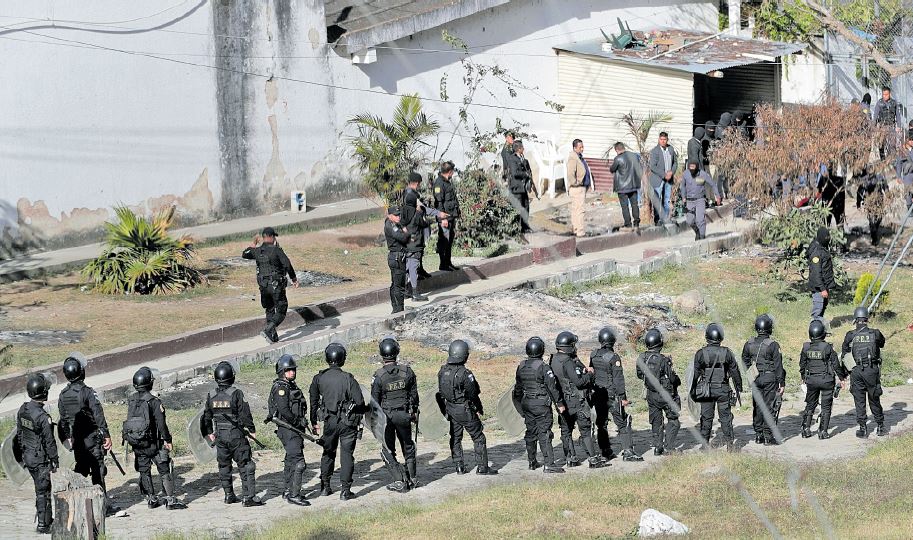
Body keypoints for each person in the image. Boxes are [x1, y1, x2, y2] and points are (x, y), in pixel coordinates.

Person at [57, 353, 117, 513]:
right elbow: (98, 414)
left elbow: (63, 420)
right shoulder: (87, 392)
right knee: (98, 470)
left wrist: (66, 438)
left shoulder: (63, 395)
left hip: (77, 441)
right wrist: (106, 435)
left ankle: (75, 502)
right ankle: (102, 507)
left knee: (81, 470)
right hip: (92, 439)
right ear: (81, 372)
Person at [200, 361, 264, 506]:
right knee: (246, 464)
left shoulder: (211, 395)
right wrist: (252, 430)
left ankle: (229, 495)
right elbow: (245, 414)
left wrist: (209, 432)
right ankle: (249, 497)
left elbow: (206, 417)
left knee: (224, 466)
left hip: (220, 436)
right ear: (231, 377)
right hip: (236, 435)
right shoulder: (236, 393)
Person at [123, 367, 187, 509]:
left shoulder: (132, 400)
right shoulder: (154, 402)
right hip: (154, 444)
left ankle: (151, 499)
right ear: (149, 383)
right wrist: (168, 440)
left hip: (138, 443)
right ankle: (170, 500)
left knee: (144, 471)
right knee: (165, 468)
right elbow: (161, 425)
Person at [309, 343, 366, 501]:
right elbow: (359, 402)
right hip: (347, 423)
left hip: (329, 422)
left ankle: (325, 487)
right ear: (342, 359)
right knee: (347, 455)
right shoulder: (348, 378)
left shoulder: (318, 378)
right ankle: (345, 490)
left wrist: (314, 422)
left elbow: (313, 402)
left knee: (328, 453)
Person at [436, 339, 497, 475]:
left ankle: (459, 466)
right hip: (464, 410)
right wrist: (479, 408)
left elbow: (440, 392)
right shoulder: (465, 373)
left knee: (456, 438)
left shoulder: (442, 371)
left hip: (451, 409)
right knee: (478, 437)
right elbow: (473, 394)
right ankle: (482, 468)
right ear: (464, 355)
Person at [550, 331, 608, 468]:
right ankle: (593, 459)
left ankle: (571, 458)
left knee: (566, 430)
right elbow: (579, 382)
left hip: (562, 401)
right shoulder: (568, 362)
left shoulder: (553, 359)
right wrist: (590, 374)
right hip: (576, 401)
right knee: (585, 430)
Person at [371, 337, 420, 492]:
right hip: (404, 415)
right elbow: (414, 396)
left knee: (387, 450)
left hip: (386, 418)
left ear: (381, 354)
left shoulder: (378, 376)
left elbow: (374, 402)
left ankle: (399, 480)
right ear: (396, 352)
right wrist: (413, 412)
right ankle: (412, 478)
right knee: (408, 445)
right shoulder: (408, 372)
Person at [513, 336, 566, 473]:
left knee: (531, 432)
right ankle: (549, 464)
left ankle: (532, 462)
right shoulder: (543, 367)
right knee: (545, 433)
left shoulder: (521, 366)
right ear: (541, 350)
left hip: (527, 403)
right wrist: (559, 404)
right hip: (541, 404)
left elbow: (518, 388)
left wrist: (520, 405)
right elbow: (552, 388)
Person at [14, 373, 58, 534]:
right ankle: (43, 524)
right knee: (43, 491)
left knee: (40, 489)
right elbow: (49, 442)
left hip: (28, 456)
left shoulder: (23, 409)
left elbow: (19, 435)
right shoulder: (42, 417)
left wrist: (23, 454)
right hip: (40, 459)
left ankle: (46, 519)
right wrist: (55, 460)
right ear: (43, 393)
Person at [589, 327, 641, 461]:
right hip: (612, 395)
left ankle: (605, 451)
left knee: (602, 424)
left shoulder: (594, 355)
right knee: (623, 423)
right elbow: (618, 379)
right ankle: (628, 451)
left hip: (598, 394)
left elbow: (592, 372)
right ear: (612, 341)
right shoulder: (614, 357)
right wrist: (623, 397)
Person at [241, 226, 299, 343]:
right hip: (275, 285)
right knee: (282, 308)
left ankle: (272, 336)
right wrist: (294, 279)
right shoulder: (276, 250)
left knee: (269, 308)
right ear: (272, 237)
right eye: (274, 237)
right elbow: (287, 264)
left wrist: (253, 244)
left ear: (263, 238)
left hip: (263, 286)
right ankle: (268, 329)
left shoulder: (257, 251)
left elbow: (244, 254)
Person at [690, 324, 742, 451]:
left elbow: (695, 374)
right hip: (723, 389)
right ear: (721, 337)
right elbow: (735, 371)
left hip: (706, 391)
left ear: (707, 336)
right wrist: (739, 386)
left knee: (706, 417)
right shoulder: (727, 352)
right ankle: (730, 445)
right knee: (726, 417)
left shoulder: (700, 354)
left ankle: (705, 445)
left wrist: (693, 390)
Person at [267, 354, 310, 506]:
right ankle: (294, 494)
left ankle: (287, 490)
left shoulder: (290, 386)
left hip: (294, 429)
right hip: (288, 429)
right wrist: (298, 421)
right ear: (282, 371)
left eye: (293, 370)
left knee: (290, 461)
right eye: (289, 370)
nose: (292, 372)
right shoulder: (281, 388)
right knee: (299, 463)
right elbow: (284, 410)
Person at [842, 307, 888, 438]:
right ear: (867, 319)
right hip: (871, 370)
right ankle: (880, 426)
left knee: (859, 400)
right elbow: (882, 344)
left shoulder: (850, 335)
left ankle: (863, 428)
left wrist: (845, 373)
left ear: (855, 320)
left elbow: (844, 354)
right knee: (874, 398)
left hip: (856, 371)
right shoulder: (875, 333)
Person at [741, 315, 786, 445]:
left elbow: (744, 360)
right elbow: (778, 366)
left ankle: (758, 434)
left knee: (758, 406)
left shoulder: (748, 343)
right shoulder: (773, 345)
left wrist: (751, 371)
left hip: (755, 379)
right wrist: (781, 383)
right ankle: (768, 436)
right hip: (769, 378)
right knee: (769, 407)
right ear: (769, 328)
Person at [636, 329, 681, 455]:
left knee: (656, 421)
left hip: (651, 394)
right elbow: (672, 378)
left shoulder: (641, 358)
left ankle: (658, 447)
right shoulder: (663, 359)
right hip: (665, 395)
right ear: (659, 343)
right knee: (674, 420)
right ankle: (669, 447)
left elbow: (640, 375)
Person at [800, 320, 848, 439]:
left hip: (811, 380)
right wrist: (842, 378)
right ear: (822, 333)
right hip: (826, 380)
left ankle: (805, 429)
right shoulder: (827, 347)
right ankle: (823, 432)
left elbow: (802, 364)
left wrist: (803, 377)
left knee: (810, 404)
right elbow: (836, 364)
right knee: (826, 406)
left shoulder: (806, 347)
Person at [403, 173, 447, 302]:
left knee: (408, 264)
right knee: (413, 265)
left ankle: (406, 290)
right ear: (417, 183)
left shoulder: (404, 206)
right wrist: (438, 215)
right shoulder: (413, 200)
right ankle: (415, 293)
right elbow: (424, 215)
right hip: (415, 240)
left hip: (407, 240)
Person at [433, 161, 461, 271]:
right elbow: (439, 202)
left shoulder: (447, 182)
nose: (453, 173)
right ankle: (443, 264)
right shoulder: (439, 183)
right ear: (449, 172)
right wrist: (443, 219)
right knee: (444, 240)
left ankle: (448, 262)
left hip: (451, 216)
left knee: (449, 240)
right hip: (444, 218)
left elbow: (452, 199)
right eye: (452, 171)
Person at [609, 142, 643, 233]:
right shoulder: (634, 156)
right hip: (634, 185)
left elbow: (612, 169)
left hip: (622, 187)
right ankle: (636, 223)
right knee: (634, 205)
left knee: (625, 207)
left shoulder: (618, 158)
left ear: (617, 150)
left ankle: (628, 224)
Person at [681, 161, 720, 240]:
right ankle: (697, 231)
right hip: (689, 200)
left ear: (697, 167)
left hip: (700, 200)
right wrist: (683, 197)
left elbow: (712, 184)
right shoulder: (686, 174)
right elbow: (683, 186)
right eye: (690, 167)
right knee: (690, 221)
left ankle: (702, 237)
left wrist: (718, 196)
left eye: (693, 167)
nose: (691, 168)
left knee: (700, 220)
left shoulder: (703, 174)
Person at [507, 140, 538, 234]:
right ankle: (516, 229)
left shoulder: (523, 159)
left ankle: (525, 227)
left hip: (523, 187)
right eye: (522, 147)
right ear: (518, 149)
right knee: (518, 208)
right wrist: (525, 174)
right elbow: (515, 173)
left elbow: (528, 170)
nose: (523, 149)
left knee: (526, 207)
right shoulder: (512, 159)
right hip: (516, 188)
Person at [384, 206, 410, 314]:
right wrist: (406, 232)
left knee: (396, 284)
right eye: (396, 215)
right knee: (398, 285)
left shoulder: (395, 224)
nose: (398, 217)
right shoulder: (390, 225)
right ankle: (398, 310)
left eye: (399, 214)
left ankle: (397, 309)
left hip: (398, 257)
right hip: (396, 258)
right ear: (390, 216)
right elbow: (403, 238)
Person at [648, 132, 678, 226]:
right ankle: (657, 219)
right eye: (661, 139)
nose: (663, 141)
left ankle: (665, 218)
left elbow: (675, 163)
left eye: (664, 139)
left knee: (667, 199)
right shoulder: (654, 151)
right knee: (657, 198)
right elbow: (652, 166)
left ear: (667, 140)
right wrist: (664, 174)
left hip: (669, 179)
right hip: (658, 179)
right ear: (658, 139)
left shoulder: (671, 149)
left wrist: (671, 172)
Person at [807, 226, 836, 322]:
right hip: (818, 287)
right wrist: (822, 289)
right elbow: (816, 273)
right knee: (817, 310)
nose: (828, 239)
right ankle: (815, 331)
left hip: (824, 284)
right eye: (826, 238)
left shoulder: (822, 247)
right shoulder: (816, 252)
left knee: (823, 307)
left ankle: (821, 329)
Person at [566, 139, 592, 237]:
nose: (582, 149)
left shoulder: (579, 157)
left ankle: (576, 229)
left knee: (576, 209)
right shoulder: (573, 158)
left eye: (582, 147)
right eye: (580, 147)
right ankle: (580, 231)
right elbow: (570, 173)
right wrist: (575, 183)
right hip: (577, 188)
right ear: (574, 148)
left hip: (580, 187)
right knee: (579, 210)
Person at [856, 165, 889, 245]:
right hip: (869, 202)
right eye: (869, 170)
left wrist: (888, 197)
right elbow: (859, 192)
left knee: (879, 218)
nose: (870, 172)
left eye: (872, 170)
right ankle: (874, 239)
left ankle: (876, 229)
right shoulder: (864, 179)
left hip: (879, 201)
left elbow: (886, 187)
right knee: (871, 221)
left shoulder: (880, 177)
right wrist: (858, 204)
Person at [873, 86, 901, 159]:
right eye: (884, 94)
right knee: (881, 143)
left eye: (887, 94)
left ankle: (893, 159)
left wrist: (899, 126)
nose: (885, 96)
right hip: (882, 126)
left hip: (891, 126)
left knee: (892, 144)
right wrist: (874, 127)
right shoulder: (879, 103)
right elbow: (875, 115)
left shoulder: (894, 103)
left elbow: (897, 115)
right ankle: (883, 159)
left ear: (889, 94)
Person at [895, 131, 913, 209]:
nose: (912, 141)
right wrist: (898, 176)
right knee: (908, 192)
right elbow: (899, 164)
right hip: (907, 175)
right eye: (910, 140)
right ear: (907, 140)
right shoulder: (902, 151)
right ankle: (909, 208)